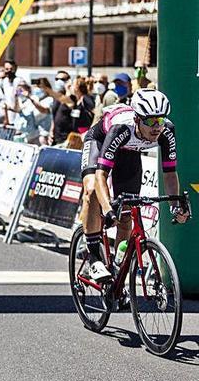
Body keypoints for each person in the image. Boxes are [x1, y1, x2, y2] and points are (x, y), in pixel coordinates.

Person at [78, 89, 188, 283]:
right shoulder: (121, 128)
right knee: (92, 190)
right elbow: (101, 175)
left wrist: (175, 205)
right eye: (150, 121)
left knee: (127, 212)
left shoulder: (167, 131)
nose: (156, 127)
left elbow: (170, 173)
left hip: (130, 153)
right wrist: (108, 208)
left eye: (160, 120)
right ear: (137, 119)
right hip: (100, 141)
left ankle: (120, 275)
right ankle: (94, 257)